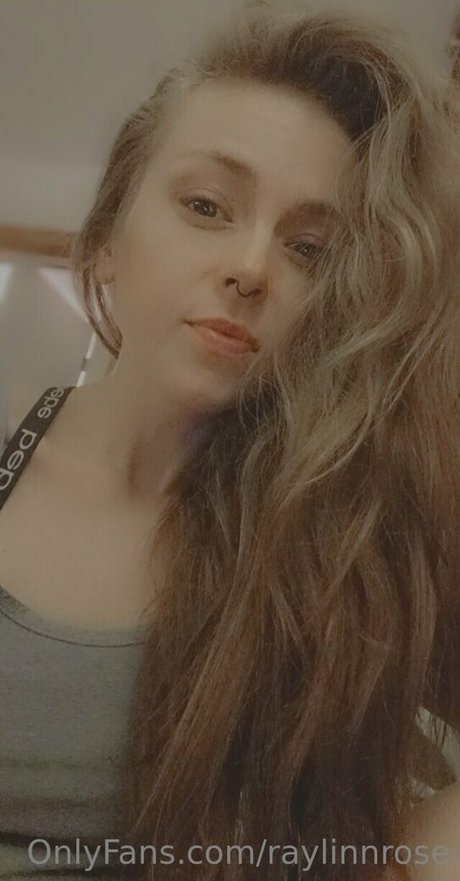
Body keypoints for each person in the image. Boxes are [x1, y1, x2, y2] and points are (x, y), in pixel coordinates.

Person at [1, 2, 460, 879]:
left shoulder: (344, 541)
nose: (251, 268)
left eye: (310, 249)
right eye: (207, 205)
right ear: (107, 239)